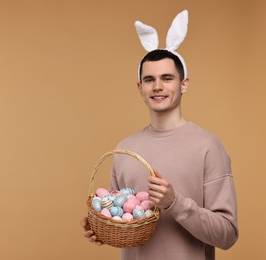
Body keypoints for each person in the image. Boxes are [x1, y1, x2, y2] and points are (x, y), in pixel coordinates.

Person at [81, 10, 238, 260]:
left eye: (167, 78)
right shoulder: (125, 150)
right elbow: (124, 216)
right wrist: (102, 226)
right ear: (139, 87)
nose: (157, 86)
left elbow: (227, 234)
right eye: (149, 79)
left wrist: (175, 203)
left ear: (183, 84)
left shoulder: (208, 147)